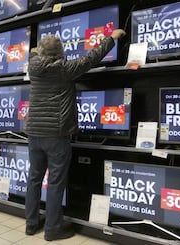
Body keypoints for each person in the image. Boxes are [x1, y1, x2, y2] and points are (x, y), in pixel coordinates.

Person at [24, 28, 126, 241]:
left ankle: (31, 224)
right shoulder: (66, 68)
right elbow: (92, 57)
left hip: (33, 133)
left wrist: (35, 51)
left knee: (34, 179)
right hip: (56, 134)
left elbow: (33, 53)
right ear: (61, 52)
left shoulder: (33, 65)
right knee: (55, 182)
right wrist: (112, 38)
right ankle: (53, 229)